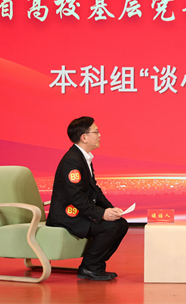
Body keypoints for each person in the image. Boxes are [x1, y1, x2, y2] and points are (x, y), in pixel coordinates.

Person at [46, 116, 128, 281]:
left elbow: (94, 189)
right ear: (84, 137)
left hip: (78, 211)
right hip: (67, 215)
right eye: (96, 132)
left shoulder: (84, 157)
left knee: (121, 224)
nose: (99, 135)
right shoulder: (72, 161)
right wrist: (101, 214)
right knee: (110, 227)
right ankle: (89, 268)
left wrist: (109, 208)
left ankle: (95, 264)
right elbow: (76, 197)